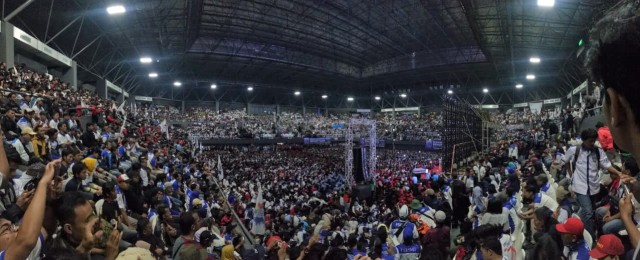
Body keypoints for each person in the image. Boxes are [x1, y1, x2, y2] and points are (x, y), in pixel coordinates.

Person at [560, 128, 621, 236]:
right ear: (583, 140)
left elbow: (607, 165)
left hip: (593, 187)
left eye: (594, 140)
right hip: (580, 186)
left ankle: (582, 227)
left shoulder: (598, 151)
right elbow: (565, 161)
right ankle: (591, 237)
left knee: (591, 211)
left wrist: (619, 173)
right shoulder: (574, 150)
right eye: (590, 141)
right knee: (588, 211)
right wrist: (571, 174)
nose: (592, 143)